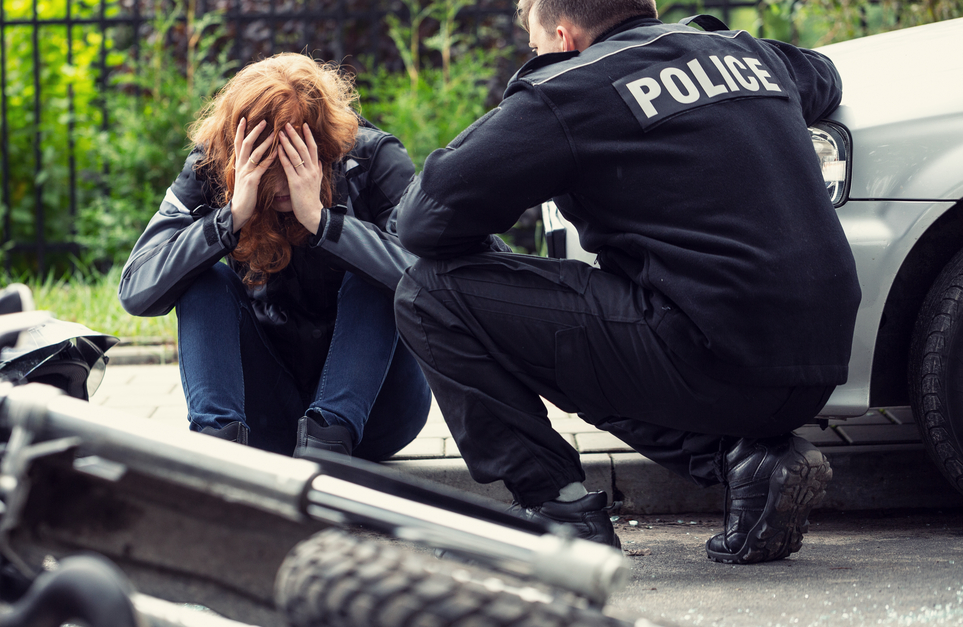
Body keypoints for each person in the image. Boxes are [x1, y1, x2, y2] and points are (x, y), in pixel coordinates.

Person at [392, 0, 861, 564]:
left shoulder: (573, 87)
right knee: (615, 332)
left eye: (536, 47)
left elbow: (423, 221)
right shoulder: (748, 54)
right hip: (820, 364)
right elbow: (825, 77)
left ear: (564, 38)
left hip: (711, 361)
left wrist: (536, 95)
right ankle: (744, 462)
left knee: (428, 292)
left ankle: (560, 510)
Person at [119, 53, 431, 460]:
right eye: (268, 164)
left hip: (377, 413)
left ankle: (328, 441)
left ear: (323, 144)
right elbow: (137, 290)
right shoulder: (212, 166)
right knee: (204, 278)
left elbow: (427, 280)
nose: (282, 182)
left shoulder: (373, 159)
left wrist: (323, 223)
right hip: (267, 413)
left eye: (294, 159)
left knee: (374, 271)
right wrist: (229, 219)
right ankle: (217, 450)